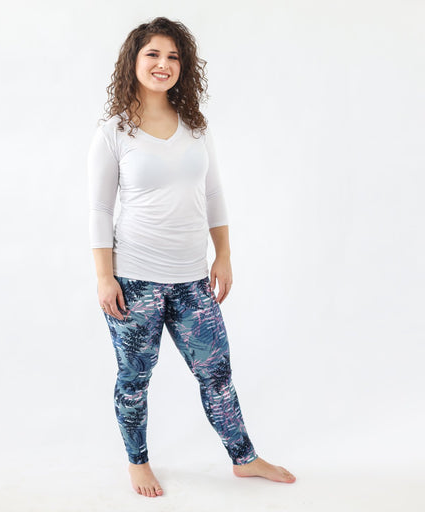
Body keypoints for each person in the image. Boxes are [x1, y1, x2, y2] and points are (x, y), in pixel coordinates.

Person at [87, 16, 296, 498]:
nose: (163, 64)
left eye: (173, 56)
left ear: (183, 67)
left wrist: (224, 256)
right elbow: (99, 210)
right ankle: (138, 462)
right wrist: (104, 277)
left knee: (216, 374)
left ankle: (244, 458)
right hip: (133, 280)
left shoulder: (196, 128)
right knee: (135, 378)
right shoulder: (113, 132)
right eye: (153, 54)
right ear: (133, 61)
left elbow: (214, 194)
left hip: (191, 280)